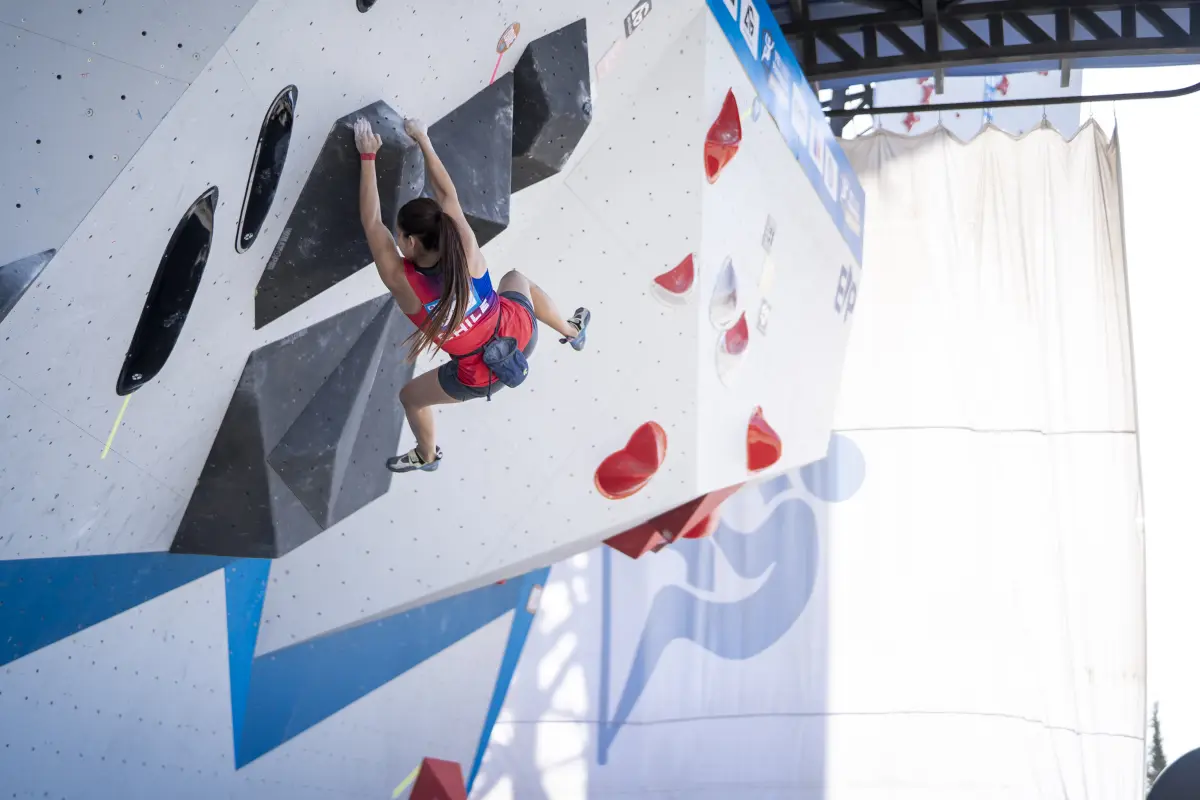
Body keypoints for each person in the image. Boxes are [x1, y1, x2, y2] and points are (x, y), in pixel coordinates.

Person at [354, 116, 591, 473]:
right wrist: (422, 138)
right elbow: (446, 195)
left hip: (478, 376)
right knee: (515, 278)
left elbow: (372, 223)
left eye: (400, 236)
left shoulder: (404, 282)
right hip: (518, 335)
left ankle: (429, 455)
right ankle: (571, 332)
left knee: (410, 399)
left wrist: (368, 158)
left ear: (410, 243)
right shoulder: (466, 247)